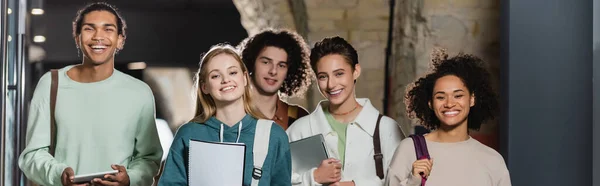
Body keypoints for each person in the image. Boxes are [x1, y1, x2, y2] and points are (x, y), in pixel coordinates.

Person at [18, 2, 162, 186]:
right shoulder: (51, 83)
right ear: (77, 37)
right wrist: (59, 175)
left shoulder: (140, 92)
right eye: (89, 29)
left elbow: (149, 158)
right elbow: (32, 155)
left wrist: (130, 179)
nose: (98, 37)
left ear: (120, 40)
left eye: (108, 29)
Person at [157, 44, 291, 186]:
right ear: (205, 87)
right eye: (215, 76)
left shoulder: (273, 135)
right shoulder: (188, 134)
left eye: (232, 72)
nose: (226, 80)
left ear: (245, 78)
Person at [286, 36, 406, 186]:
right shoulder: (299, 130)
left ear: (356, 71)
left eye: (339, 74)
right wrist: (314, 178)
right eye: (323, 77)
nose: (331, 84)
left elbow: (402, 182)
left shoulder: (386, 129)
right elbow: (277, 181)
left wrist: (356, 185)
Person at [385, 49, 511, 186]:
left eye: (458, 95)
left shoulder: (492, 160)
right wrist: (413, 181)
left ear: (472, 99)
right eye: (440, 97)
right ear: (431, 104)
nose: (449, 103)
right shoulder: (409, 150)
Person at [239, 29, 313, 130]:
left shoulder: (299, 118)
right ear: (251, 63)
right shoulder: (232, 112)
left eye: (281, 65)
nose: (273, 71)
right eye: (266, 62)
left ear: (289, 71)